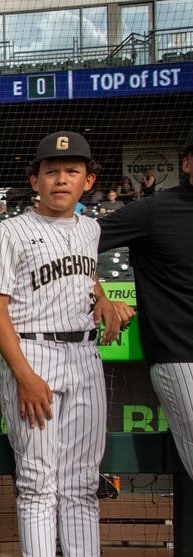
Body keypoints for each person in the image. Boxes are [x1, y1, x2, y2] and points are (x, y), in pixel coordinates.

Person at [0, 131, 138, 557]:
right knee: (37, 479)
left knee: (80, 484)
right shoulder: (10, 231)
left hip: (84, 357)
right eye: (51, 170)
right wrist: (23, 373)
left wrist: (106, 299)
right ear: (34, 180)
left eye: (72, 171)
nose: (61, 178)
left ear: (89, 181)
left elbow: (81, 276)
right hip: (33, 355)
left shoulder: (90, 228)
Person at [98, 127, 193, 488]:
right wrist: (102, 296)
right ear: (185, 163)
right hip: (182, 356)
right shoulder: (155, 210)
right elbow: (75, 243)